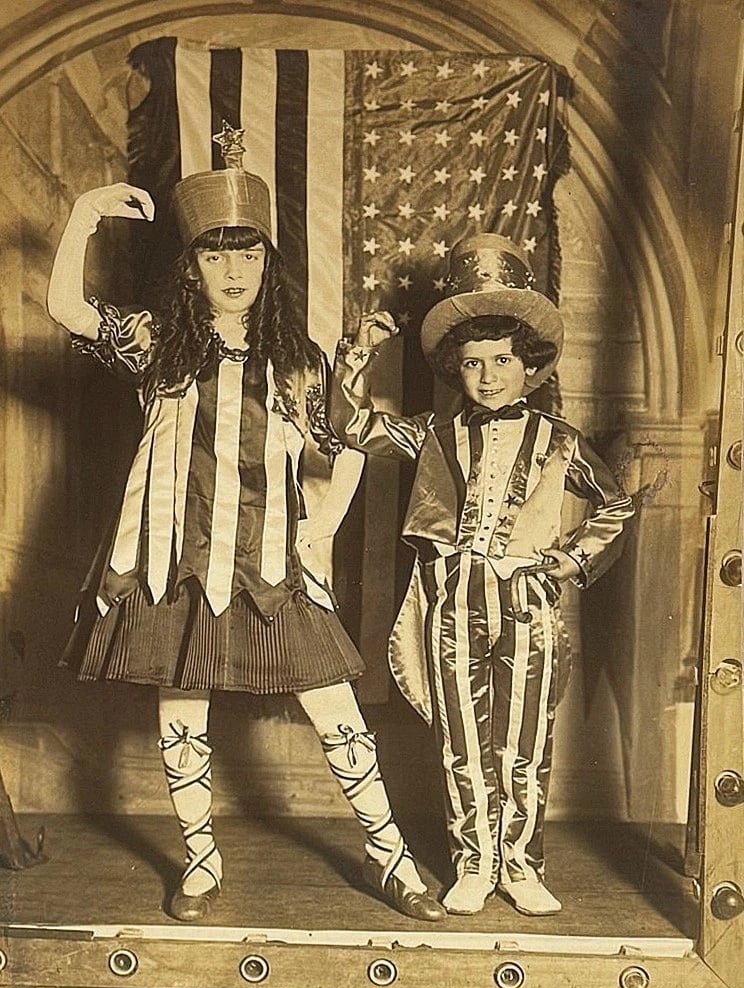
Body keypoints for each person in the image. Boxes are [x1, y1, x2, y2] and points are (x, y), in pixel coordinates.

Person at [46, 127, 445, 925]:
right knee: (181, 708)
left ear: (269, 263)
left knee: (336, 709)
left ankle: (393, 860)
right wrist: (87, 212)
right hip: (172, 557)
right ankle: (200, 860)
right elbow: (64, 305)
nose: (235, 272)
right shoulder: (156, 346)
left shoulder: (298, 361)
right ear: (191, 268)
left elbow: (352, 439)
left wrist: (323, 523)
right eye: (216, 256)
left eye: (249, 254)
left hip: (272, 568)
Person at [330, 233, 635, 916]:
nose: (489, 376)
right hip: (453, 601)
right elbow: (352, 426)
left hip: (527, 604)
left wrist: (575, 554)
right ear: (453, 369)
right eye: (473, 363)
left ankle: (522, 863)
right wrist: (356, 356)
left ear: (530, 367)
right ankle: (473, 860)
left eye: (503, 361)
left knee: (526, 739)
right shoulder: (434, 434)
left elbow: (615, 502)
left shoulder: (558, 437)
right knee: (462, 739)